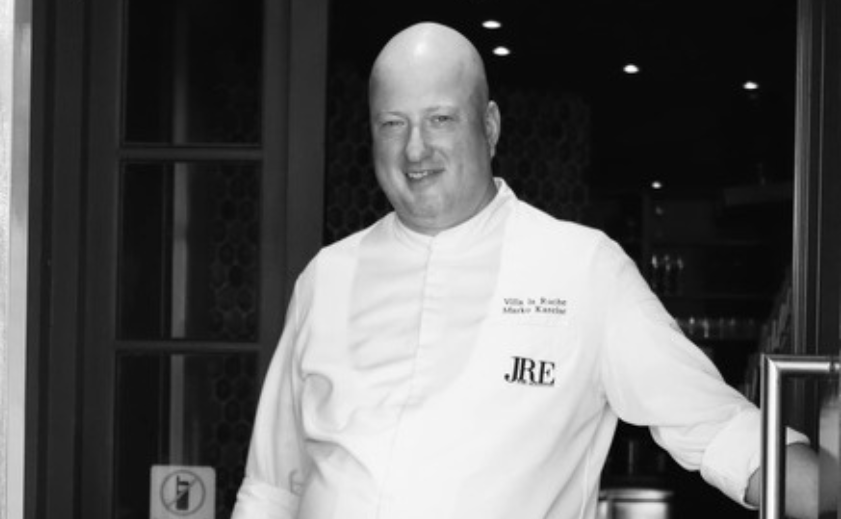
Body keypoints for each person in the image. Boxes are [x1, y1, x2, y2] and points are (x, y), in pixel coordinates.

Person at [232, 22, 821, 519]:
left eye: (440, 119)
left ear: (488, 126)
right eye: (393, 123)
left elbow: (715, 427)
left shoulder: (583, 269)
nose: (414, 149)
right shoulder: (327, 277)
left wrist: (826, 486)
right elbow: (271, 486)